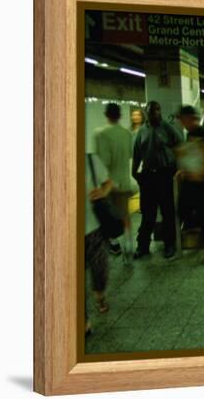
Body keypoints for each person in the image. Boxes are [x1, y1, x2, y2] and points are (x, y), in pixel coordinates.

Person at [132, 100, 183, 259]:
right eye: (150, 111)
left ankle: (169, 245)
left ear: (160, 111)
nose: (154, 114)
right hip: (148, 176)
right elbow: (136, 155)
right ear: (146, 113)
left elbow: (180, 146)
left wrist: (179, 168)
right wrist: (135, 174)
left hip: (165, 174)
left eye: (156, 111)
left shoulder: (167, 128)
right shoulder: (141, 132)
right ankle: (143, 246)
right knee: (148, 213)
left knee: (167, 212)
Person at [176, 105, 204, 265]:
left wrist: (201, 173)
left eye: (182, 118)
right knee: (184, 208)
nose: (181, 122)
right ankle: (195, 226)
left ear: (189, 118)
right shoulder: (191, 133)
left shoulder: (200, 133)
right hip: (195, 180)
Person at [94, 103, 134, 263]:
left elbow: (103, 161)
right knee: (125, 216)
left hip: (109, 184)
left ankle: (114, 244)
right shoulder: (126, 133)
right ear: (120, 115)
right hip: (124, 181)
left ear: (106, 114)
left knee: (105, 216)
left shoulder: (101, 134)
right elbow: (130, 154)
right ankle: (129, 247)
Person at [84, 153, 113, 336]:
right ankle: (84, 320)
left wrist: (103, 192)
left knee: (100, 268)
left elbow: (108, 182)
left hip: (93, 227)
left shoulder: (89, 159)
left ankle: (100, 294)